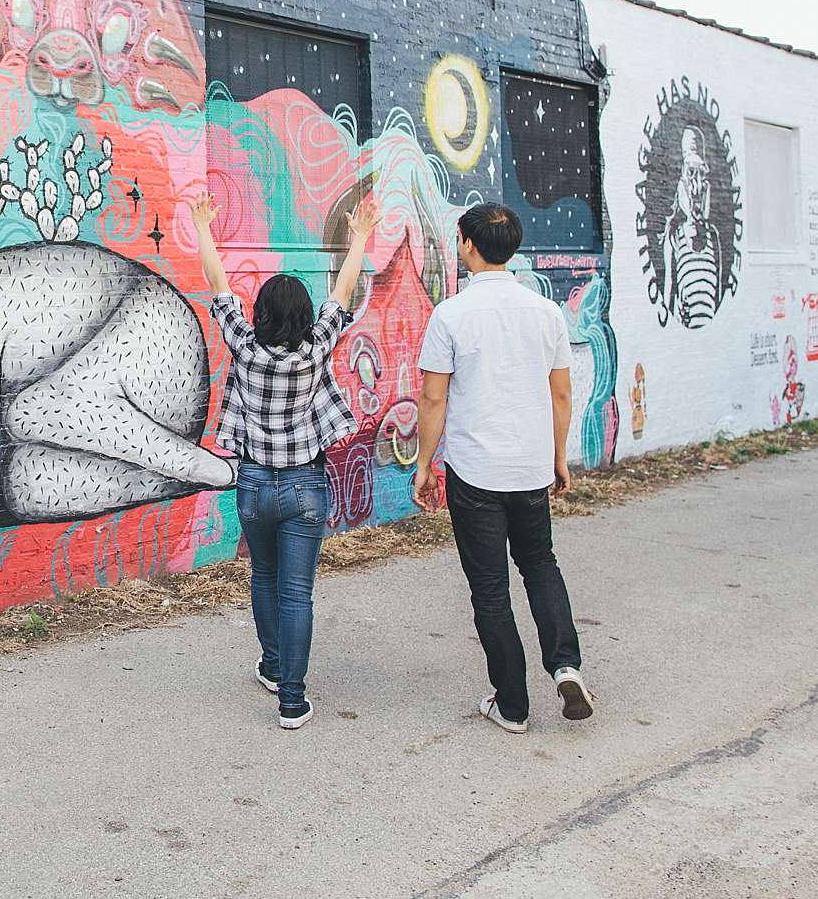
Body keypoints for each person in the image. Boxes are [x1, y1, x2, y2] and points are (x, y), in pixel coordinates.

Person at [190, 190, 379, 729]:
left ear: (261, 314)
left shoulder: (245, 349)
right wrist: (361, 234)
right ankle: (291, 699)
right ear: (302, 318)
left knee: (264, 577)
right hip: (305, 487)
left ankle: (273, 666)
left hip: (253, 485)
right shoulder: (317, 347)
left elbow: (218, 285)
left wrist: (204, 225)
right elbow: (341, 294)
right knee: (297, 591)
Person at [412, 202, 593, 734]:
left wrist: (424, 464)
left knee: (490, 589)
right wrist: (558, 456)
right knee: (540, 564)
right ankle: (565, 664)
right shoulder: (546, 312)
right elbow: (561, 393)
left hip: (476, 473)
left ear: (467, 245)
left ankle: (512, 706)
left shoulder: (451, 314)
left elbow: (432, 398)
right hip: (532, 467)